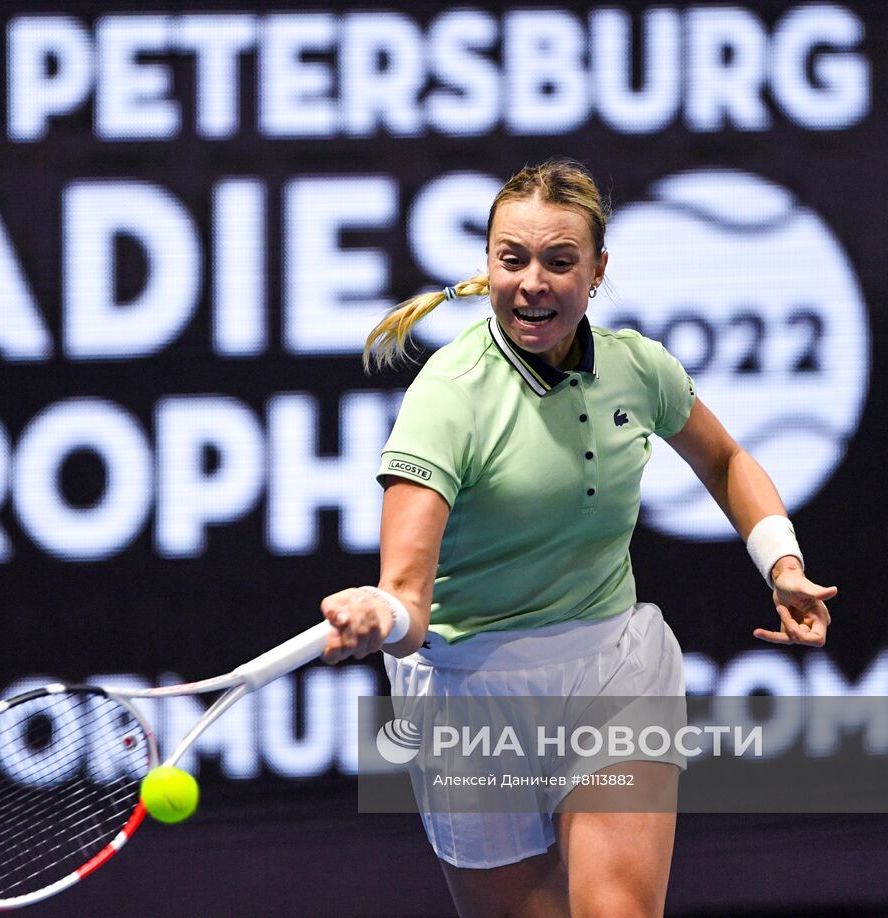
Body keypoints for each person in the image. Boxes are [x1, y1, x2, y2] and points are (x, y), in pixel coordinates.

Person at [319, 158, 836, 918]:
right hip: (469, 694)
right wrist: (382, 616)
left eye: (560, 262)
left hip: (609, 668)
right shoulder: (448, 398)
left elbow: (726, 460)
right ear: (487, 265)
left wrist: (780, 560)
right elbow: (408, 604)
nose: (533, 283)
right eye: (511, 259)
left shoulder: (638, 368)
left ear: (597, 271)